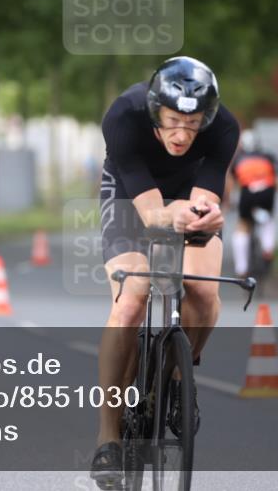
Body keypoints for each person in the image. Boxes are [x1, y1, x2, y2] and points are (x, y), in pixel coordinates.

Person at [90, 56, 239, 487]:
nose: (182, 134)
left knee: (204, 292)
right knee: (131, 300)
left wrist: (208, 217)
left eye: (192, 125)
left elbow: (206, 199)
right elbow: (152, 214)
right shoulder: (124, 116)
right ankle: (108, 437)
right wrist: (175, 216)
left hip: (186, 193)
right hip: (130, 196)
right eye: (173, 121)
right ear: (156, 111)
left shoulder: (224, 127)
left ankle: (177, 372)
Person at [228, 130, 278, 279]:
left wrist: (230, 201)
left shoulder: (238, 159)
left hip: (248, 193)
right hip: (267, 191)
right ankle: (268, 249)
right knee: (268, 219)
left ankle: (241, 269)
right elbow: (276, 180)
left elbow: (233, 183)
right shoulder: (268, 157)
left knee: (243, 226)